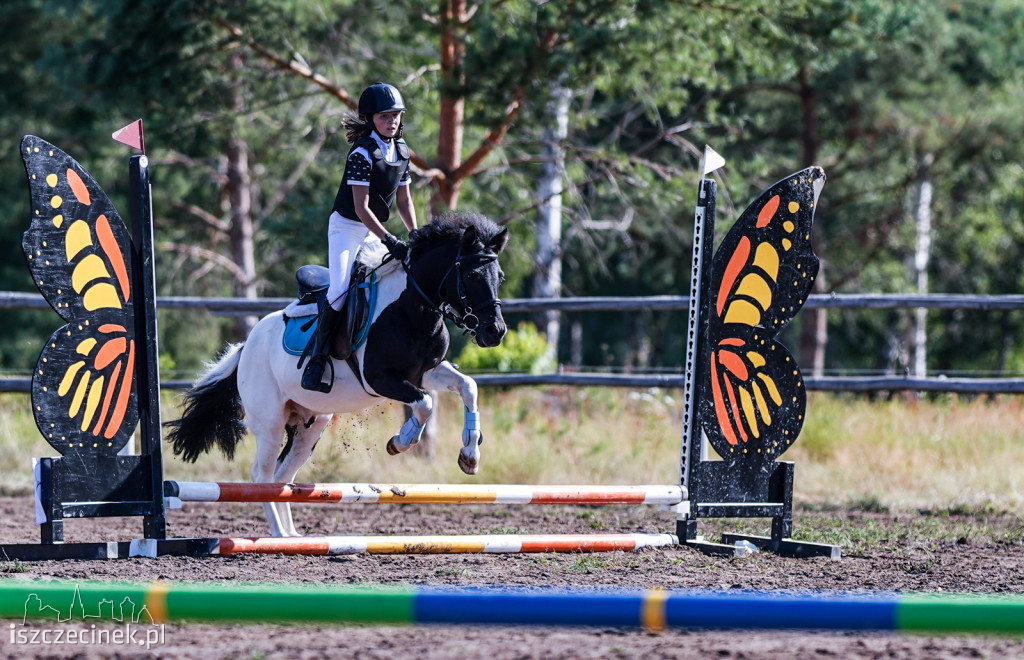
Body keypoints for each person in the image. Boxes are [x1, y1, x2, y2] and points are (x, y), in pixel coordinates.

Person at [302, 82, 418, 392]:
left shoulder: (402, 151)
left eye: (396, 115)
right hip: (347, 228)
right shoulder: (362, 153)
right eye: (384, 116)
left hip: (373, 229)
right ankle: (317, 361)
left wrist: (414, 234)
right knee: (339, 290)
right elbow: (361, 208)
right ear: (370, 119)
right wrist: (389, 240)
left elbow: (405, 202)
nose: (392, 121)